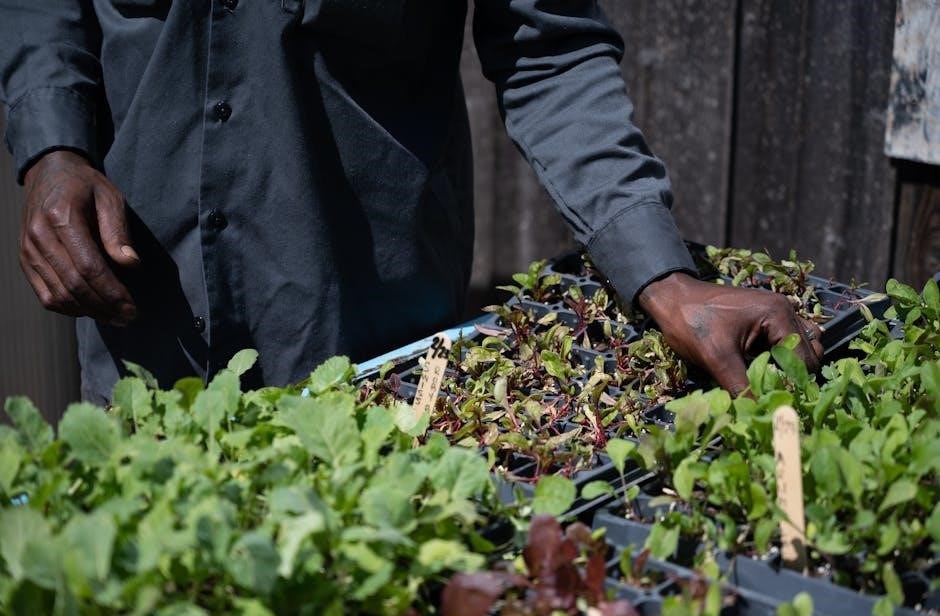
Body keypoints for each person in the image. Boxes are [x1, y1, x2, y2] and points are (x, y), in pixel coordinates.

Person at [0, 1, 822, 405]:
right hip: (145, 317)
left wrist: (659, 274)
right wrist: (52, 146)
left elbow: (548, 47)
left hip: (366, 336)